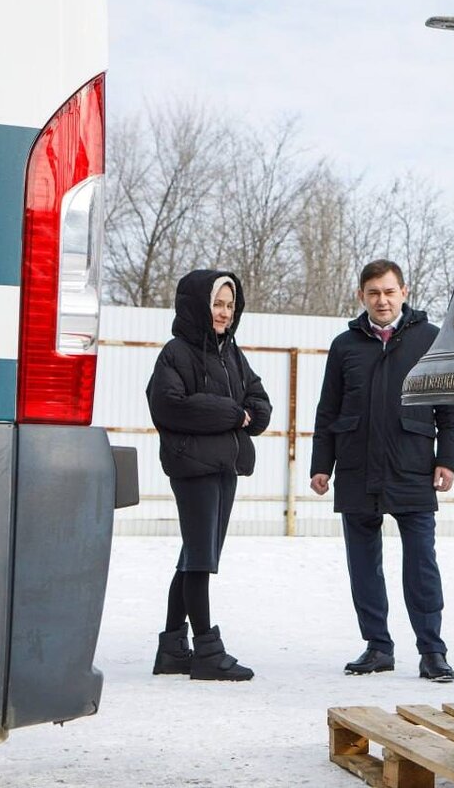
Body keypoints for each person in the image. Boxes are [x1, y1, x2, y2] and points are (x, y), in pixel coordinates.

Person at [310, 260, 454, 682]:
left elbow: (449, 410)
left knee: (421, 566)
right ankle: (377, 646)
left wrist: (447, 460)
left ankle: (432, 651)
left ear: (404, 292)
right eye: (374, 292)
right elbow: (328, 410)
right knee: (363, 565)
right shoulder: (345, 346)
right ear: (362, 295)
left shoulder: (431, 340)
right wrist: (321, 465)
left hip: (412, 468)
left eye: (389, 292)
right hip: (357, 468)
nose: (382, 300)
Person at [146, 270, 272, 681]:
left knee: (192, 557)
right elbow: (169, 405)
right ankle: (206, 651)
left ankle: (171, 649)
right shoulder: (176, 353)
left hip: (225, 467)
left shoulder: (232, 354)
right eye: (217, 304)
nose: (223, 313)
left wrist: (247, 413)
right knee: (200, 560)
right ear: (199, 306)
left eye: (229, 306)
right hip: (192, 468)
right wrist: (234, 413)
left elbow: (260, 402)